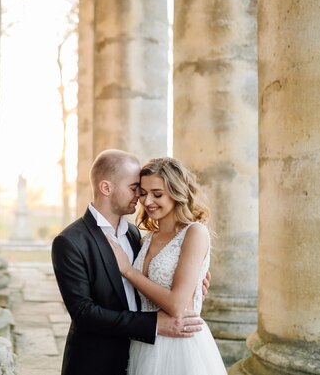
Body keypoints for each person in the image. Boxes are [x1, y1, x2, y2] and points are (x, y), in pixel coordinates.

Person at [51, 149, 208, 375]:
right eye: (136, 189)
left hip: (146, 355)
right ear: (106, 188)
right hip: (97, 362)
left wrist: (193, 284)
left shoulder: (136, 236)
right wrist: (153, 324)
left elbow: (154, 283)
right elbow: (84, 313)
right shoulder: (71, 241)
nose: (141, 198)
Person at [106, 157, 227, 375]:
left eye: (157, 194)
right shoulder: (146, 240)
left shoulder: (194, 233)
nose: (148, 201)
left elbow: (177, 305)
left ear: (176, 192)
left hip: (181, 346)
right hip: (145, 342)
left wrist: (128, 270)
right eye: (143, 193)